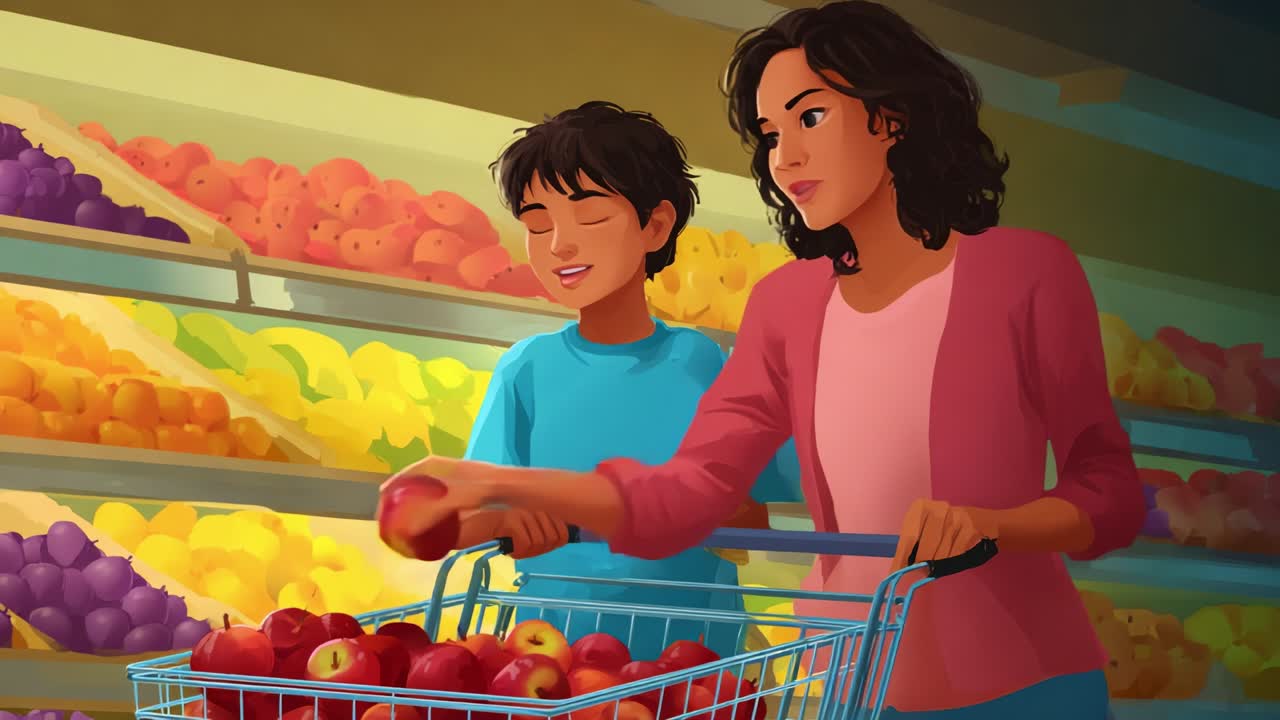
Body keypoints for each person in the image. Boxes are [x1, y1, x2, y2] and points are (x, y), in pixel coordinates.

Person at [387, 4, 1143, 718]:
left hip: (1022, 683)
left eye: (810, 116)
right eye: (770, 133)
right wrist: (490, 482)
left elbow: (1109, 491)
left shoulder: (1024, 273)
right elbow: (685, 494)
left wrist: (995, 525)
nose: (787, 156)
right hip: (854, 681)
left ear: (894, 118)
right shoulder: (786, 304)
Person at [448, 101, 802, 663]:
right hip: (551, 653)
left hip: (686, 659)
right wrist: (508, 521)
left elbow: (774, 505)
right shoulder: (527, 369)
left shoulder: (701, 364)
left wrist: (715, 511)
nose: (559, 244)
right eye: (538, 225)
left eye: (589, 218)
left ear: (655, 225)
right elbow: (467, 511)